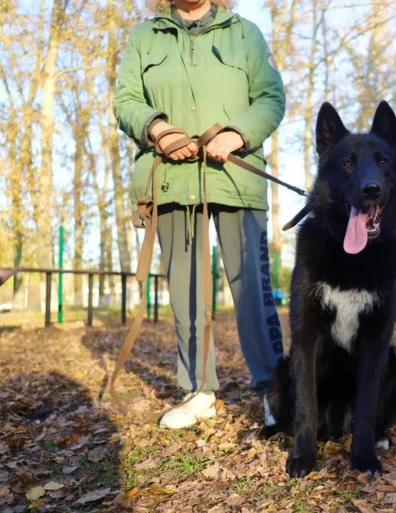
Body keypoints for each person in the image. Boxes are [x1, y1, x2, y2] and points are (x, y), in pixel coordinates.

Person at [113, 0, 285, 428]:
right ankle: (199, 391)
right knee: (187, 292)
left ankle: (275, 393)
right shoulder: (143, 36)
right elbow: (126, 100)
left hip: (235, 181)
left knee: (252, 291)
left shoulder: (245, 33)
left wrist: (236, 133)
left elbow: (270, 97)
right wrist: (158, 129)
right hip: (171, 180)